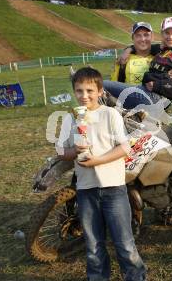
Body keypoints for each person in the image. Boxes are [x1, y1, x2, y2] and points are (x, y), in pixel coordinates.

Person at [56, 67, 146, 281]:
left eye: (89, 90)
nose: (84, 95)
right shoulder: (70, 120)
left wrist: (98, 161)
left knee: (124, 243)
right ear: (74, 92)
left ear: (100, 91)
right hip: (86, 191)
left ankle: (135, 276)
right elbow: (60, 151)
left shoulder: (110, 114)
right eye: (79, 91)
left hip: (113, 189)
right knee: (93, 245)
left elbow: (124, 148)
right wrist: (73, 152)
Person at [104, 17, 172, 111]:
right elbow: (144, 46)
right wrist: (129, 49)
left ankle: (117, 106)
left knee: (101, 84)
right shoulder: (163, 49)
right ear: (162, 34)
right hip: (144, 91)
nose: (170, 36)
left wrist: (158, 86)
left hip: (154, 97)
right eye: (167, 33)